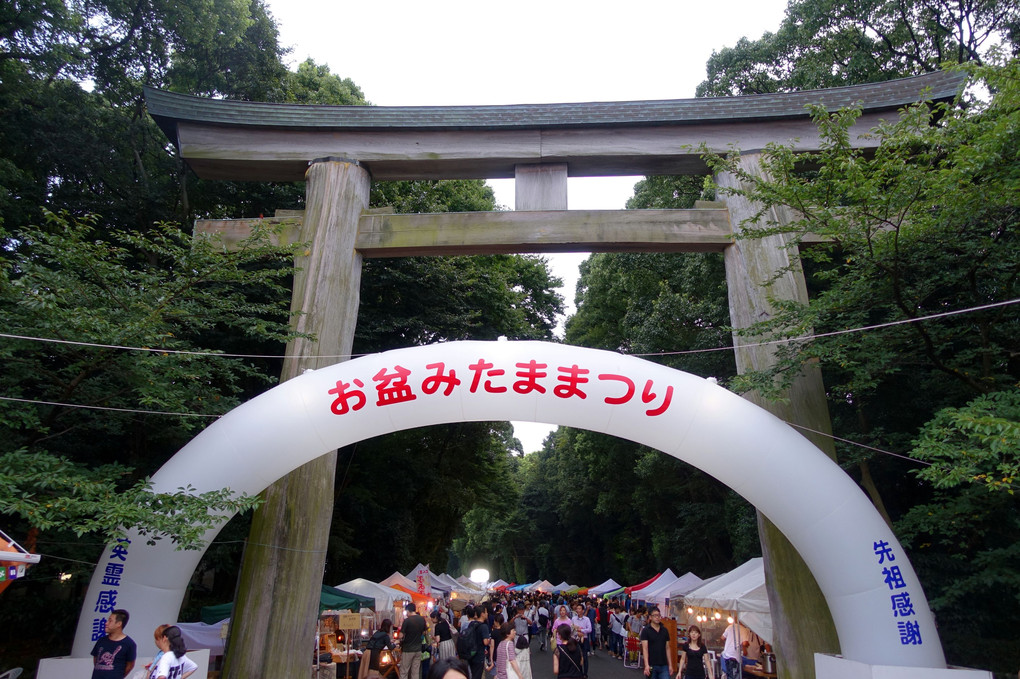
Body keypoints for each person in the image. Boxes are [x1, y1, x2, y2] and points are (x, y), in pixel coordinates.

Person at [91, 609, 137, 679]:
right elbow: (96, 660)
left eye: (110, 621)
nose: (106, 623)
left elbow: (130, 665)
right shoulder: (101, 641)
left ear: (119, 624)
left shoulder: (129, 644)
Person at [639, 608, 673, 679]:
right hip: (651, 664)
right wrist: (646, 665)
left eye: (658, 615)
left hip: (663, 664)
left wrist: (670, 665)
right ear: (650, 617)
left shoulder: (664, 630)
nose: (657, 617)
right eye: (655, 615)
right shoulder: (646, 631)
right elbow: (645, 648)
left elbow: (667, 648)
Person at [400, 603, 427, 679]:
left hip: (408, 649)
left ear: (408, 611)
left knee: (404, 671)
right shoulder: (422, 619)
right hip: (418, 649)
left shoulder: (407, 621)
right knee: (415, 671)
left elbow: (401, 635)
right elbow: (424, 632)